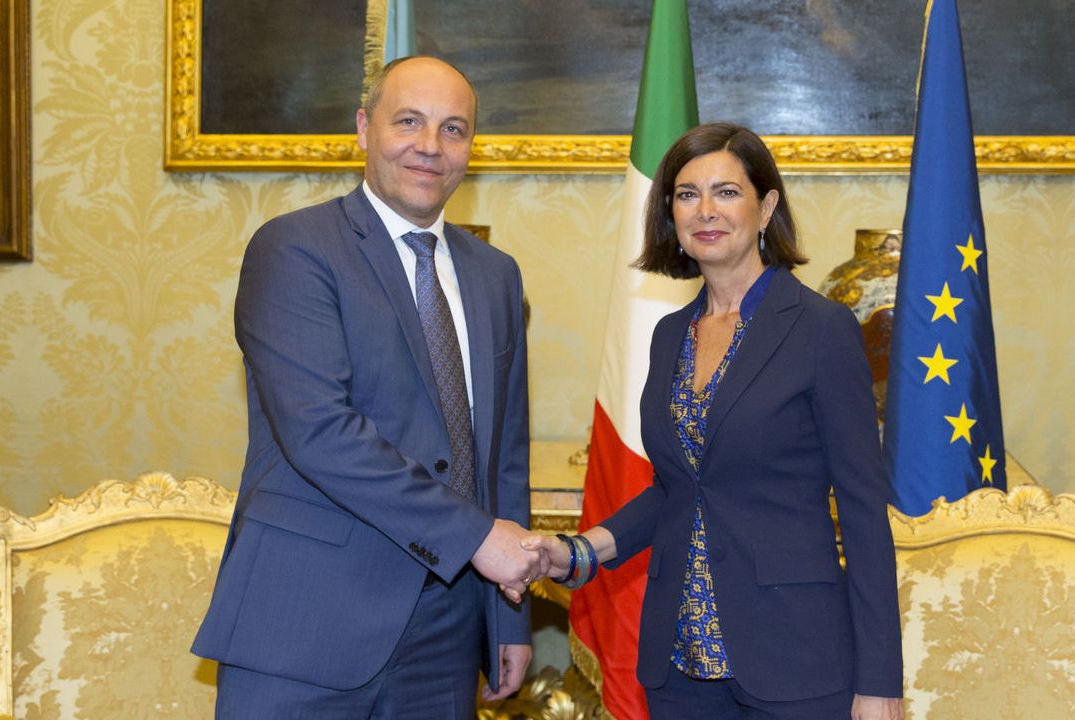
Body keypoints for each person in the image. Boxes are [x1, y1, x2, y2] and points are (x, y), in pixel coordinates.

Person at [193, 56, 544, 719]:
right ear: (363, 128)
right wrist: (476, 538)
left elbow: (503, 455)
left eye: (453, 129)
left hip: (447, 634)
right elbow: (320, 432)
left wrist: (507, 619)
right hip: (306, 620)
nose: (429, 146)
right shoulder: (294, 249)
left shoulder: (496, 274)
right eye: (408, 122)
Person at [524, 123, 904, 719]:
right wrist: (581, 552)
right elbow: (679, 489)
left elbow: (863, 513)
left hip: (794, 655)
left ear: (766, 207)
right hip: (679, 663)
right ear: (670, 213)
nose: (705, 210)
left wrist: (880, 683)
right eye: (686, 194)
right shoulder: (670, 334)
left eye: (726, 192)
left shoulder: (821, 329)